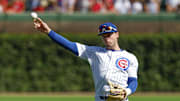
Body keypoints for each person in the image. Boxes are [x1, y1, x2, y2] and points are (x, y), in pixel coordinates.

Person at [33, 17, 139, 101]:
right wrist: (49, 32)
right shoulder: (95, 52)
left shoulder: (130, 57)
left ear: (117, 34)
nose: (106, 38)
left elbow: (133, 81)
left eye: (109, 35)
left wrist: (127, 91)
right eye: (104, 36)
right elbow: (70, 45)